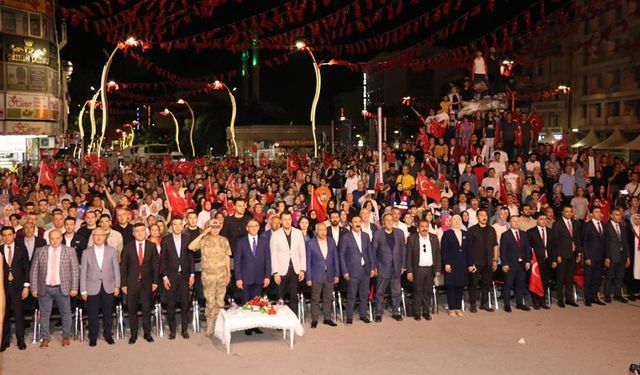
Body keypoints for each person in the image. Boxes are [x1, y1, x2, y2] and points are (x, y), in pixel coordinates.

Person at [29, 229, 79, 348]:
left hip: (63, 287)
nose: (55, 241)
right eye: (52, 238)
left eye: (57, 238)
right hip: (44, 288)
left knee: (66, 313)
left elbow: (75, 270)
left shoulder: (70, 251)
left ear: (61, 238)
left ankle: (66, 336)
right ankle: (45, 337)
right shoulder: (40, 251)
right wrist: (34, 288)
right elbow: (34, 270)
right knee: (45, 314)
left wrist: (74, 288)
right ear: (48, 239)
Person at [188, 219, 232, 337]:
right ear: (208, 227)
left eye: (217, 227)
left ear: (221, 227)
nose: (215, 229)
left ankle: (219, 324)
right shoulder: (203, 240)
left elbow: (227, 257)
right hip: (208, 276)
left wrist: (229, 274)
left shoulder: (224, 241)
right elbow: (191, 247)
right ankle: (210, 324)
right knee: (210, 301)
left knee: (220, 301)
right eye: (212, 227)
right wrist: (203, 233)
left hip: (222, 275)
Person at [80, 227, 120, 346]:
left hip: (109, 286)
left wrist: (117, 286)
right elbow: (83, 273)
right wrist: (83, 290)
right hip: (92, 287)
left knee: (108, 313)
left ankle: (108, 335)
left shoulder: (112, 251)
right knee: (92, 313)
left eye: (101, 235)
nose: (98, 237)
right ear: (93, 237)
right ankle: (93, 336)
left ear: (105, 236)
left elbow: (116, 270)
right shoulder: (86, 252)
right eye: (96, 235)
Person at [121, 223, 159, 344]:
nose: (140, 233)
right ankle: (134, 334)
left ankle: (147, 333)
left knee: (146, 309)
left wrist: (155, 282)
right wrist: (123, 284)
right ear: (133, 233)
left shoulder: (152, 246)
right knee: (132, 310)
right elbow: (123, 267)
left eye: (142, 230)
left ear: (146, 232)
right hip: (131, 283)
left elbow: (155, 266)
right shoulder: (128, 247)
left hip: (147, 283)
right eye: (137, 231)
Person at [233, 219, 270, 335]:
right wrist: (238, 278)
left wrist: (267, 276)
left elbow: (268, 260)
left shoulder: (264, 241)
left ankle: (255, 325)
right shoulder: (241, 242)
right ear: (247, 228)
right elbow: (237, 262)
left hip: (259, 277)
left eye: (255, 226)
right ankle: (247, 326)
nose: (253, 228)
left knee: (257, 302)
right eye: (251, 226)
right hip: (245, 277)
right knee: (246, 302)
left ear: (259, 227)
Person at [161, 217, 195, 339]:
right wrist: (165, 277)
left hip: (185, 277)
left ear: (182, 225)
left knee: (185, 304)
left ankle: (184, 329)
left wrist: (192, 275)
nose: (177, 227)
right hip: (171, 277)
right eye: (174, 224)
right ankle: (172, 330)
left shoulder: (187, 239)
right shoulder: (165, 240)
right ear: (171, 226)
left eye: (179, 224)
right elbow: (163, 261)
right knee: (171, 305)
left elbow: (191, 258)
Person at [339, 215, 374, 325]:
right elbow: (341, 255)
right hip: (352, 271)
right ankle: (349, 317)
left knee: (364, 295)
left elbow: (370, 253)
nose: (358, 223)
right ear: (351, 224)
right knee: (351, 295)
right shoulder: (346, 237)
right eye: (355, 222)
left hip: (365, 270)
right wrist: (344, 271)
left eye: (359, 221)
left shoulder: (366, 236)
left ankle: (363, 315)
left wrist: (372, 267)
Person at [372, 213, 406, 322]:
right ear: (383, 222)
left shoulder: (399, 233)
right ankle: (378, 313)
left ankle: (396, 312)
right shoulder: (378, 234)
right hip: (382, 267)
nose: (390, 222)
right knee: (380, 292)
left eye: (391, 220)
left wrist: (403, 265)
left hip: (396, 267)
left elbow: (403, 250)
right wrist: (374, 267)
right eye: (387, 220)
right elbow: (373, 252)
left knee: (396, 291)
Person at [270, 211, 306, 315]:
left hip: (295, 269)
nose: (287, 222)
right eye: (285, 219)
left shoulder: (298, 233)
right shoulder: (276, 235)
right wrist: (275, 272)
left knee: (293, 297)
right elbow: (273, 255)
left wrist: (302, 269)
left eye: (289, 219)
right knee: (280, 298)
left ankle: (293, 321)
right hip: (281, 271)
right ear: (281, 221)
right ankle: (280, 321)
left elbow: (302, 252)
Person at [305, 222, 339, 328]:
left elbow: (336, 259)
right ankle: (314, 319)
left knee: (328, 298)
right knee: (315, 298)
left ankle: (327, 318)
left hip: (330, 274)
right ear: (316, 231)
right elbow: (308, 262)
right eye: (320, 230)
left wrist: (337, 274)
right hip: (316, 275)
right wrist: (308, 277)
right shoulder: (311, 243)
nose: (323, 232)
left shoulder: (331, 241)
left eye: (324, 229)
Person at [406, 219, 441, 320]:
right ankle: (417, 312)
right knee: (418, 291)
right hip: (418, 269)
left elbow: (438, 255)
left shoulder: (433, 238)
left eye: (426, 226)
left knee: (428, 291)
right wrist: (409, 271)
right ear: (418, 228)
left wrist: (438, 268)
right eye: (422, 226)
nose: (424, 228)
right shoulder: (412, 238)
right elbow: (408, 256)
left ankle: (426, 312)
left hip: (430, 269)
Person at [1, 226, 29, 351]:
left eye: (9, 234)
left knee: (19, 315)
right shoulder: (0, 250)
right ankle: (4, 341)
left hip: (18, 287)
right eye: (4, 235)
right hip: (3, 287)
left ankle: (20, 340)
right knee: (3, 315)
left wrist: (26, 287)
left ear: (14, 235)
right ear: (1, 237)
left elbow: (27, 269)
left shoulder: (21, 249)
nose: (7, 237)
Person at [466, 209, 498, 312]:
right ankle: (473, 304)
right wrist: (470, 263)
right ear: (477, 217)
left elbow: (495, 245)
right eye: (481, 215)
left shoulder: (491, 229)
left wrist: (495, 260)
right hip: (476, 262)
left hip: (488, 261)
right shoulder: (471, 230)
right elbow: (468, 248)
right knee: (473, 284)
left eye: (485, 215)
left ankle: (483, 304)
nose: (484, 217)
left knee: (486, 283)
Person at [551, 204, 582, 308]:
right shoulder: (557, 224)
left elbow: (577, 239)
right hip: (562, 254)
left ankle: (569, 298)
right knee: (561, 278)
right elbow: (555, 241)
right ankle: (560, 299)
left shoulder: (576, 223)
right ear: (562, 212)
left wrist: (578, 253)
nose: (569, 213)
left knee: (570, 277)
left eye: (570, 211)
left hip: (573, 254)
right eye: (567, 211)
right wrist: (558, 255)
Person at [500, 215, 531, 312]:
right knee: (508, 285)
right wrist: (504, 263)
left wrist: (528, 261)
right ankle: (507, 305)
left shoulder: (524, 234)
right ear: (510, 223)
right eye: (514, 221)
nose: (516, 223)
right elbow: (503, 251)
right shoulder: (505, 235)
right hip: (510, 264)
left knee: (520, 285)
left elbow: (527, 249)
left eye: (518, 221)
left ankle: (519, 304)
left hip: (522, 264)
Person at [441, 215, 470, 317]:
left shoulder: (466, 234)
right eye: (454, 220)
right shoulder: (447, 234)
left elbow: (469, 251)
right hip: (451, 265)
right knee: (451, 286)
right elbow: (444, 250)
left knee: (460, 286)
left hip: (463, 265)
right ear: (451, 222)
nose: (457, 221)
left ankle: (458, 307)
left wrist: (470, 264)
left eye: (459, 220)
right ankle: (451, 308)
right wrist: (446, 263)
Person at [604, 207, 630, 303]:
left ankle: (617, 294)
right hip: (612, 255)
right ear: (611, 216)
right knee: (609, 276)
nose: (619, 216)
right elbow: (605, 243)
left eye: (620, 215)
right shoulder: (607, 226)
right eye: (617, 215)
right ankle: (607, 295)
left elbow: (625, 243)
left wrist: (627, 257)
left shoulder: (623, 227)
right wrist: (607, 257)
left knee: (620, 276)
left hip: (622, 256)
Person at [581, 207, 607, 306]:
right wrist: (587, 257)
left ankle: (594, 296)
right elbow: (585, 243)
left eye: (599, 212)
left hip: (601, 257)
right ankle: (588, 298)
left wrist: (606, 257)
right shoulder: (587, 226)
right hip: (590, 257)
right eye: (596, 212)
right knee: (589, 278)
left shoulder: (604, 225)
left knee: (597, 278)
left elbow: (605, 242)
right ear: (591, 214)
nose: (599, 213)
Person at [526, 212, 552, 309]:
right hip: (536, 261)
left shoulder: (550, 231)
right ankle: (535, 301)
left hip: (547, 260)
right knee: (535, 280)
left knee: (545, 281)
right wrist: (530, 259)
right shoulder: (530, 232)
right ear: (536, 220)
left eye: (545, 219)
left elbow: (553, 247)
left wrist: (553, 260)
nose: (544, 221)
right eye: (541, 219)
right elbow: (528, 248)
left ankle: (542, 300)